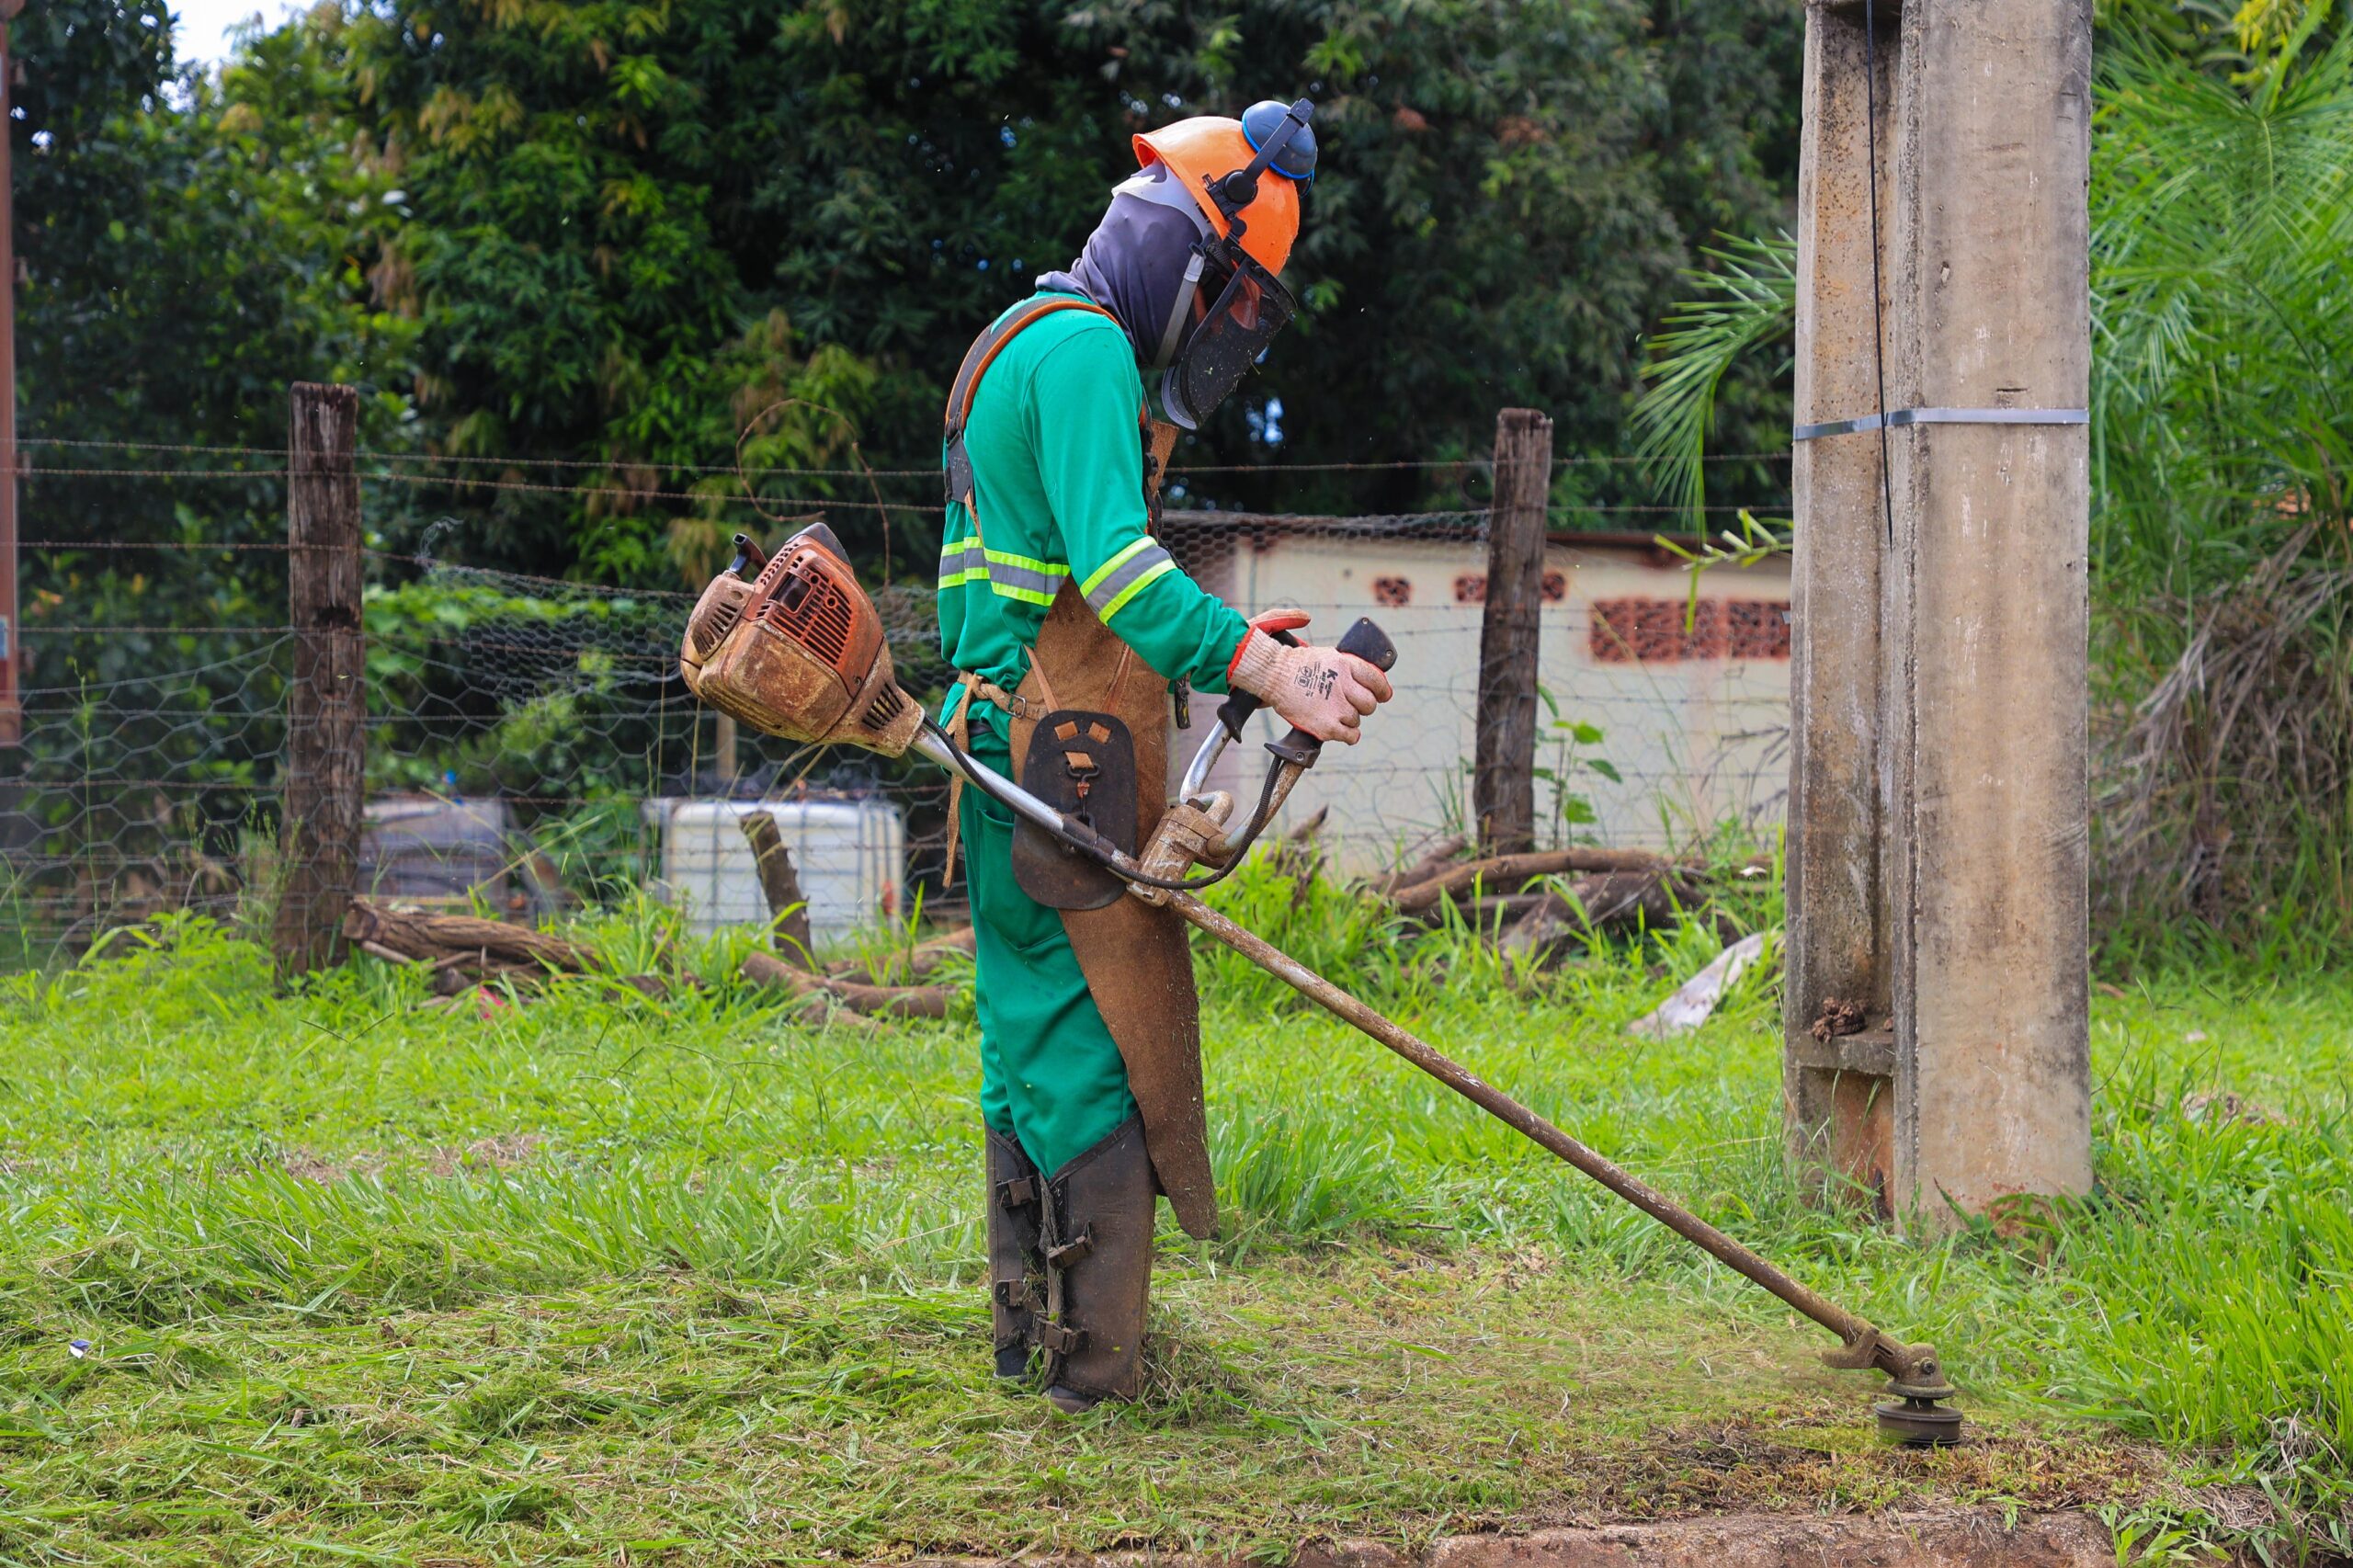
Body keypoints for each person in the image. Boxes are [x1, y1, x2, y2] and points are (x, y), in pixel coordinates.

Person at [936, 99, 1393, 1413]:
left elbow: (1066, 589)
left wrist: (1232, 647)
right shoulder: (1085, 349)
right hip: (1057, 753)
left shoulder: (1012, 339)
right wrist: (1272, 669)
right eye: (1228, 300)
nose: (1222, 332)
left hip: (997, 734)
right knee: (1096, 1032)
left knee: (1023, 1030)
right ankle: (1094, 1372)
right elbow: (1121, 573)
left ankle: (1029, 1339)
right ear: (1182, 258)